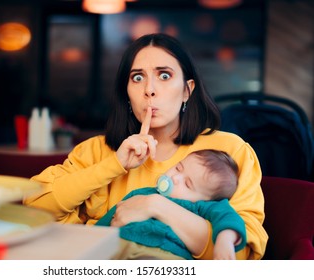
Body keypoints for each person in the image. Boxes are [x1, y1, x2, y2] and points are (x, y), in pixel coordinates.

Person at [24, 33, 268, 260]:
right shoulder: (96, 151)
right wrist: (115, 164)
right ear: (127, 93)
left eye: (164, 75)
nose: (149, 90)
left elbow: (242, 254)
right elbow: (34, 207)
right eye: (137, 78)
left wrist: (155, 205)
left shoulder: (229, 150)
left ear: (187, 90)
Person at [96, 149, 246, 260]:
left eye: (187, 184)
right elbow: (108, 220)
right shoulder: (141, 194)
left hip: (164, 253)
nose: (175, 178)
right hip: (121, 244)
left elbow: (229, 217)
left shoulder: (202, 207)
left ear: (206, 200)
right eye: (178, 168)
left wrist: (225, 240)